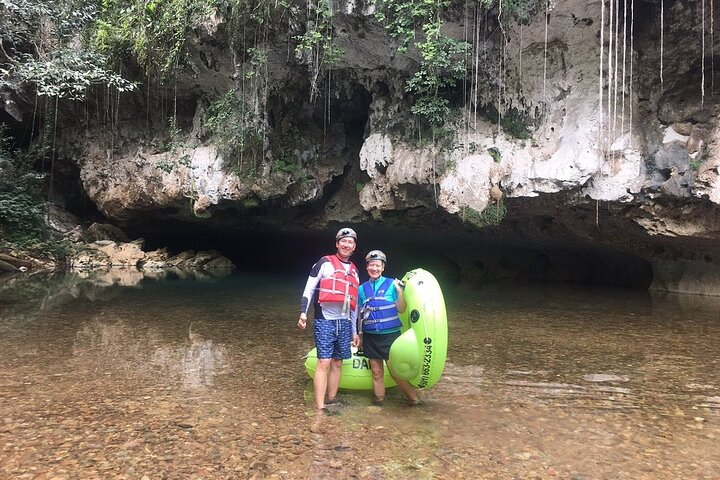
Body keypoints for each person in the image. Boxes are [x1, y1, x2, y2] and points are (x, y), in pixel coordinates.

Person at [298, 227, 361, 410]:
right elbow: (309, 288)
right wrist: (303, 312)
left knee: (338, 362)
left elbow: (354, 303)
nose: (346, 244)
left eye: (350, 242)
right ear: (337, 243)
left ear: (354, 246)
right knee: (324, 361)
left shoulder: (355, 271)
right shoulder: (324, 263)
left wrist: (354, 331)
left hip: (344, 321)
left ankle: (332, 400)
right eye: (343, 241)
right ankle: (320, 407)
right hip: (325, 319)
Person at [358, 250, 419, 406]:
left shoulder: (393, 284)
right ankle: (379, 402)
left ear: (383, 267)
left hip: (391, 336)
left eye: (378, 265)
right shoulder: (362, 289)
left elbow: (401, 309)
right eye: (371, 265)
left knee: (396, 373)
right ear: (367, 267)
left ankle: (414, 400)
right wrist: (359, 334)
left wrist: (400, 292)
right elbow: (359, 314)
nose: (374, 268)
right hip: (371, 335)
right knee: (377, 372)